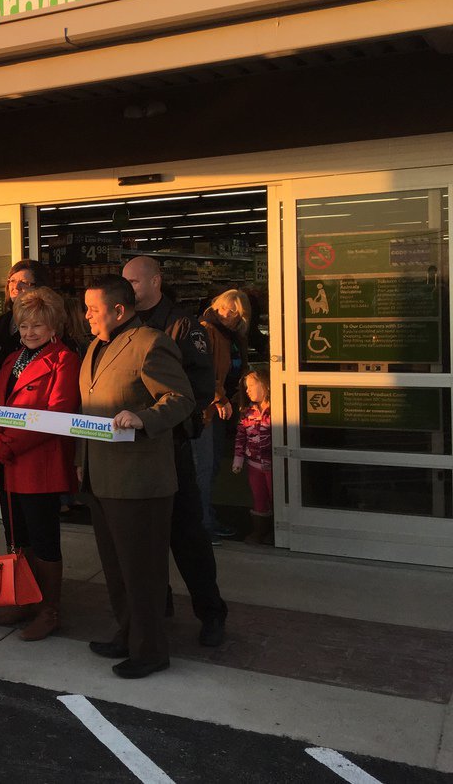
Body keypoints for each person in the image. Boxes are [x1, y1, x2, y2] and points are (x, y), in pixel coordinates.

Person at [78, 275, 193, 679]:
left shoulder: (150, 343)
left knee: (142, 570)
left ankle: (150, 650)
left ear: (119, 310)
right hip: (101, 476)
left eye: (93, 309)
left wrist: (143, 418)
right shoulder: (94, 346)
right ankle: (127, 634)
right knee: (116, 567)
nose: (87, 316)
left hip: (140, 481)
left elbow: (181, 399)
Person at [122, 255, 228, 647]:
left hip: (172, 443)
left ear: (156, 281)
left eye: (134, 281)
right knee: (146, 537)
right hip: (134, 448)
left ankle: (211, 612)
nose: (129, 288)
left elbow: (200, 388)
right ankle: (156, 611)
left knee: (187, 535)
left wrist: (161, 420)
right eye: (125, 282)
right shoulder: (124, 326)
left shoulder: (182, 324)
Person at [0, 287, 80, 641]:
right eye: (24, 326)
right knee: (17, 537)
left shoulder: (64, 360)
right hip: (7, 462)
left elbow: (57, 413)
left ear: (54, 326)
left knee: (44, 539)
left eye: (37, 325)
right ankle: (25, 598)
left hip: (38, 465)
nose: (30, 332)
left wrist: (8, 443)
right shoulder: (12, 359)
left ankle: (49, 610)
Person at [194, 289, 252, 540]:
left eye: (234, 311)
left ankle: (205, 516)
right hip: (208, 408)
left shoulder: (233, 335)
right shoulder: (206, 330)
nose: (228, 314)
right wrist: (220, 397)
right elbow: (203, 370)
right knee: (204, 466)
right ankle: (202, 523)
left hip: (223, 407)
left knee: (214, 463)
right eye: (224, 308)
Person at [0, 260, 51, 402]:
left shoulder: (49, 323)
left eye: (24, 282)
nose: (16, 286)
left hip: (28, 407)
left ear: (40, 287)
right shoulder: (1, 322)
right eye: (12, 281)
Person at [233, 369, 274, 546]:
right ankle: (259, 531)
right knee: (258, 498)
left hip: (274, 464)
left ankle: (275, 531)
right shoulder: (247, 413)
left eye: (251, 386)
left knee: (276, 497)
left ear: (264, 385)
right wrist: (238, 459)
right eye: (246, 387)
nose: (247, 390)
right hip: (254, 465)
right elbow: (240, 437)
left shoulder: (277, 411)